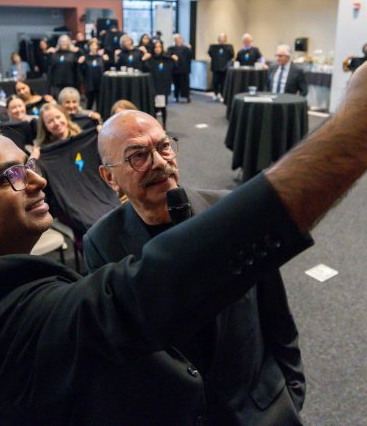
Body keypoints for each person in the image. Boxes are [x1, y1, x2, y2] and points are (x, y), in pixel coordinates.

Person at [0, 13, 367, 425]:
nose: (39, 180)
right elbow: (146, 294)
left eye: (29, 164)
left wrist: (286, 390)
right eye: (11, 177)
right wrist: (360, 130)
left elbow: (271, 322)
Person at [84, 112, 305, 424]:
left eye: (163, 147)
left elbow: (277, 314)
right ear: (109, 177)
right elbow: (123, 347)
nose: (160, 162)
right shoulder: (102, 242)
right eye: (137, 156)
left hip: (263, 409)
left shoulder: (232, 212)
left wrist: (292, 391)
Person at [144, 40, 178, 128]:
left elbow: (174, 69)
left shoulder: (166, 59)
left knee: (162, 107)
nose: (157, 49)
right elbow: (145, 69)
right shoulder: (150, 59)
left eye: (159, 47)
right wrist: (144, 59)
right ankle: (154, 126)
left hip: (162, 86)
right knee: (153, 108)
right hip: (152, 86)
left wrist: (175, 60)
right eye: (156, 47)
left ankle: (164, 126)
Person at [77, 39, 108, 112]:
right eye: (91, 45)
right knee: (89, 103)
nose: (93, 46)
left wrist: (107, 60)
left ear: (98, 46)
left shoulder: (102, 57)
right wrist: (79, 63)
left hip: (100, 83)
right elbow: (80, 71)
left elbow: (107, 69)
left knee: (100, 103)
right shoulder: (85, 58)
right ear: (89, 46)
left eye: (95, 45)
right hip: (90, 83)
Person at [208, 33, 235, 102]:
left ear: (226, 39)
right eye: (221, 38)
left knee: (223, 82)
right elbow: (210, 53)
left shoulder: (229, 47)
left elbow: (232, 55)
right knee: (215, 82)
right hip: (216, 67)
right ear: (219, 38)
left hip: (225, 68)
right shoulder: (213, 47)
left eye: (224, 38)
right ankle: (215, 94)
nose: (222, 39)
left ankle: (223, 95)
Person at [169, 34, 193, 103]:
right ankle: (176, 96)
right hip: (175, 70)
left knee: (185, 84)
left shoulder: (186, 48)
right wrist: (172, 56)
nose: (179, 41)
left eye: (180, 40)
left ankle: (185, 97)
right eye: (177, 40)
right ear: (175, 41)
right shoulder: (171, 48)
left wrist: (190, 49)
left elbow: (190, 57)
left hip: (185, 70)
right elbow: (168, 56)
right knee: (176, 84)